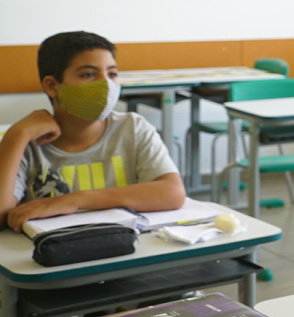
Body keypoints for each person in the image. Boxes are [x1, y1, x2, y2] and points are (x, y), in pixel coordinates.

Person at [1, 31, 186, 233]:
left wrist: (76, 200)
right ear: (53, 86)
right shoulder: (28, 143)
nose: (105, 85)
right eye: (88, 74)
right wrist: (16, 135)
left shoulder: (131, 127)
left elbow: (172, 193)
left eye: (112, 74)